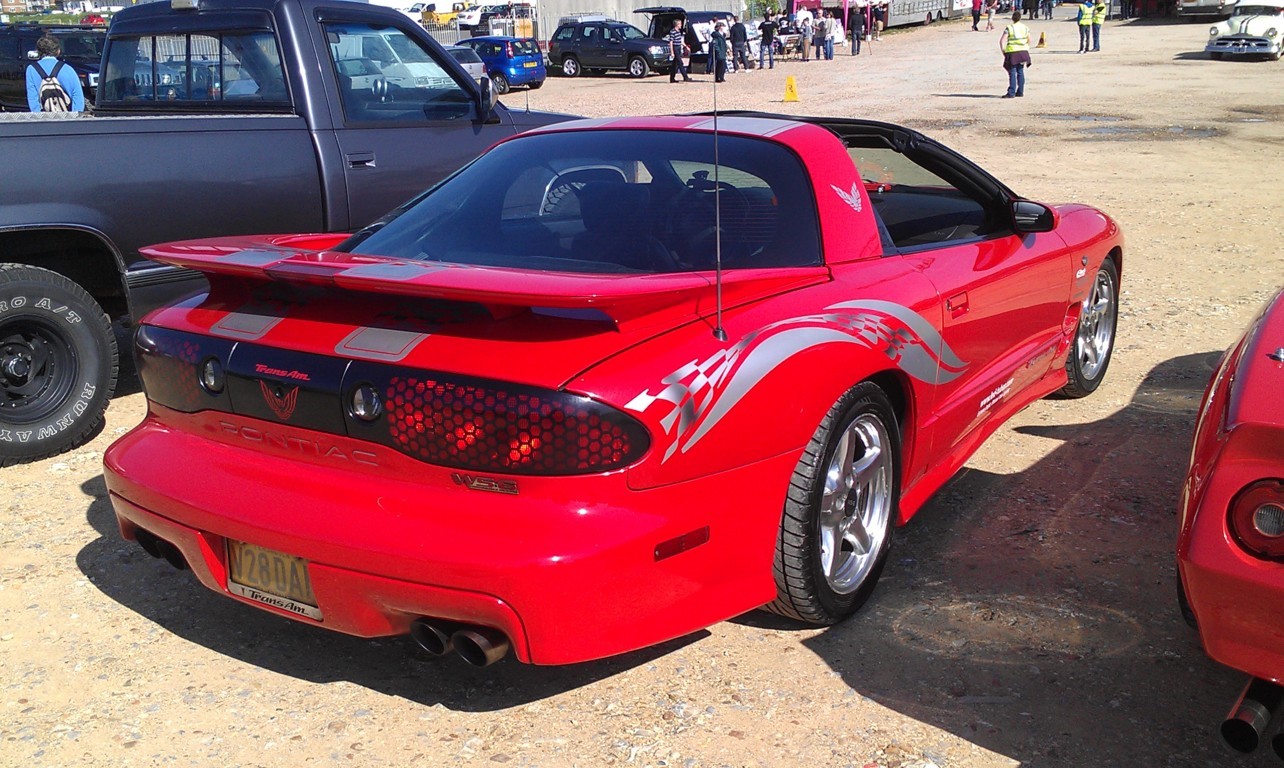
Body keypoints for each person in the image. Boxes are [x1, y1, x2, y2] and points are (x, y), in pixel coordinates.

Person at [25, 35, 85, 113]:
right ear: (58, 51)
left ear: (38, 52)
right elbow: (78, 97)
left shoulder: (31, 69)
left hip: (44, 117)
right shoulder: (68, 69)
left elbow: (33, 99)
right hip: (66, 117)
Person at [999, 10, 1031, 98]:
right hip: (1023, 52)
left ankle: (1011, 92)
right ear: (1020, 18)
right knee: (1020, 71)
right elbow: (1029, 40)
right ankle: (1020, 91)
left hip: (1012, 52)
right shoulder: (1025, 27)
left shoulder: (1009, 28)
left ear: (1012, 18)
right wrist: (1025, 47)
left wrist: (1003, 51)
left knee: (1012, 72)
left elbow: (1002, 41)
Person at [667, 19, 692, 83]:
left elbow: (680, 41)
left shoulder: (678, 31)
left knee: (675, 64)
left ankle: (672, 78)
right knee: (680, 63)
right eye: (680, 24)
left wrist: (686, 46)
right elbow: (671, 42)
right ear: (677, 24)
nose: (681, 25)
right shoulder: (672, 32)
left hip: (678, 48)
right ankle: (685, 77)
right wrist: (672, 52)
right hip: (675, 48)